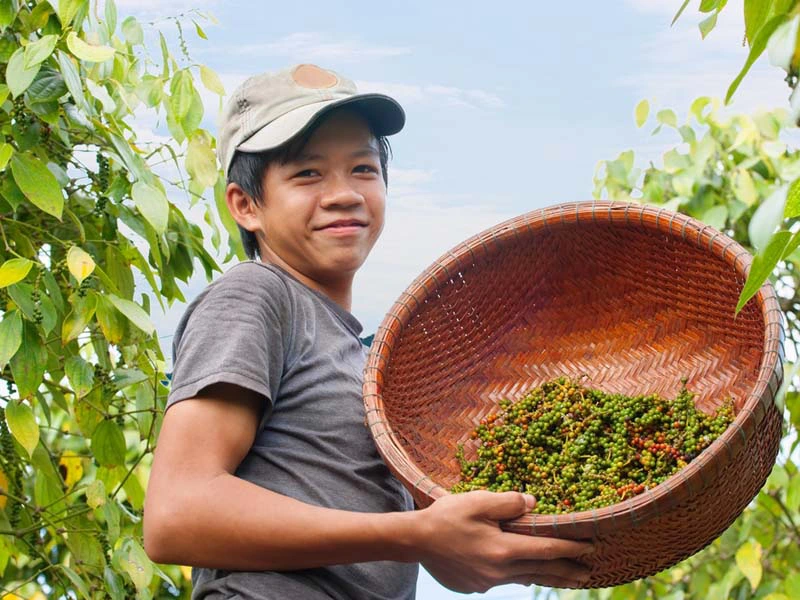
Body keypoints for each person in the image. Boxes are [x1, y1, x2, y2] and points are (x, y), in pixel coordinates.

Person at [143, 64, 593, 599]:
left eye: (362, 168)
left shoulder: (366, 360)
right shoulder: (256, 296)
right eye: (307, 174)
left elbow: (393, 535)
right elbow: (176, 513)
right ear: (245, 205)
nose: (344, 194)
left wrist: (454, 546)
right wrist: (415, 536)